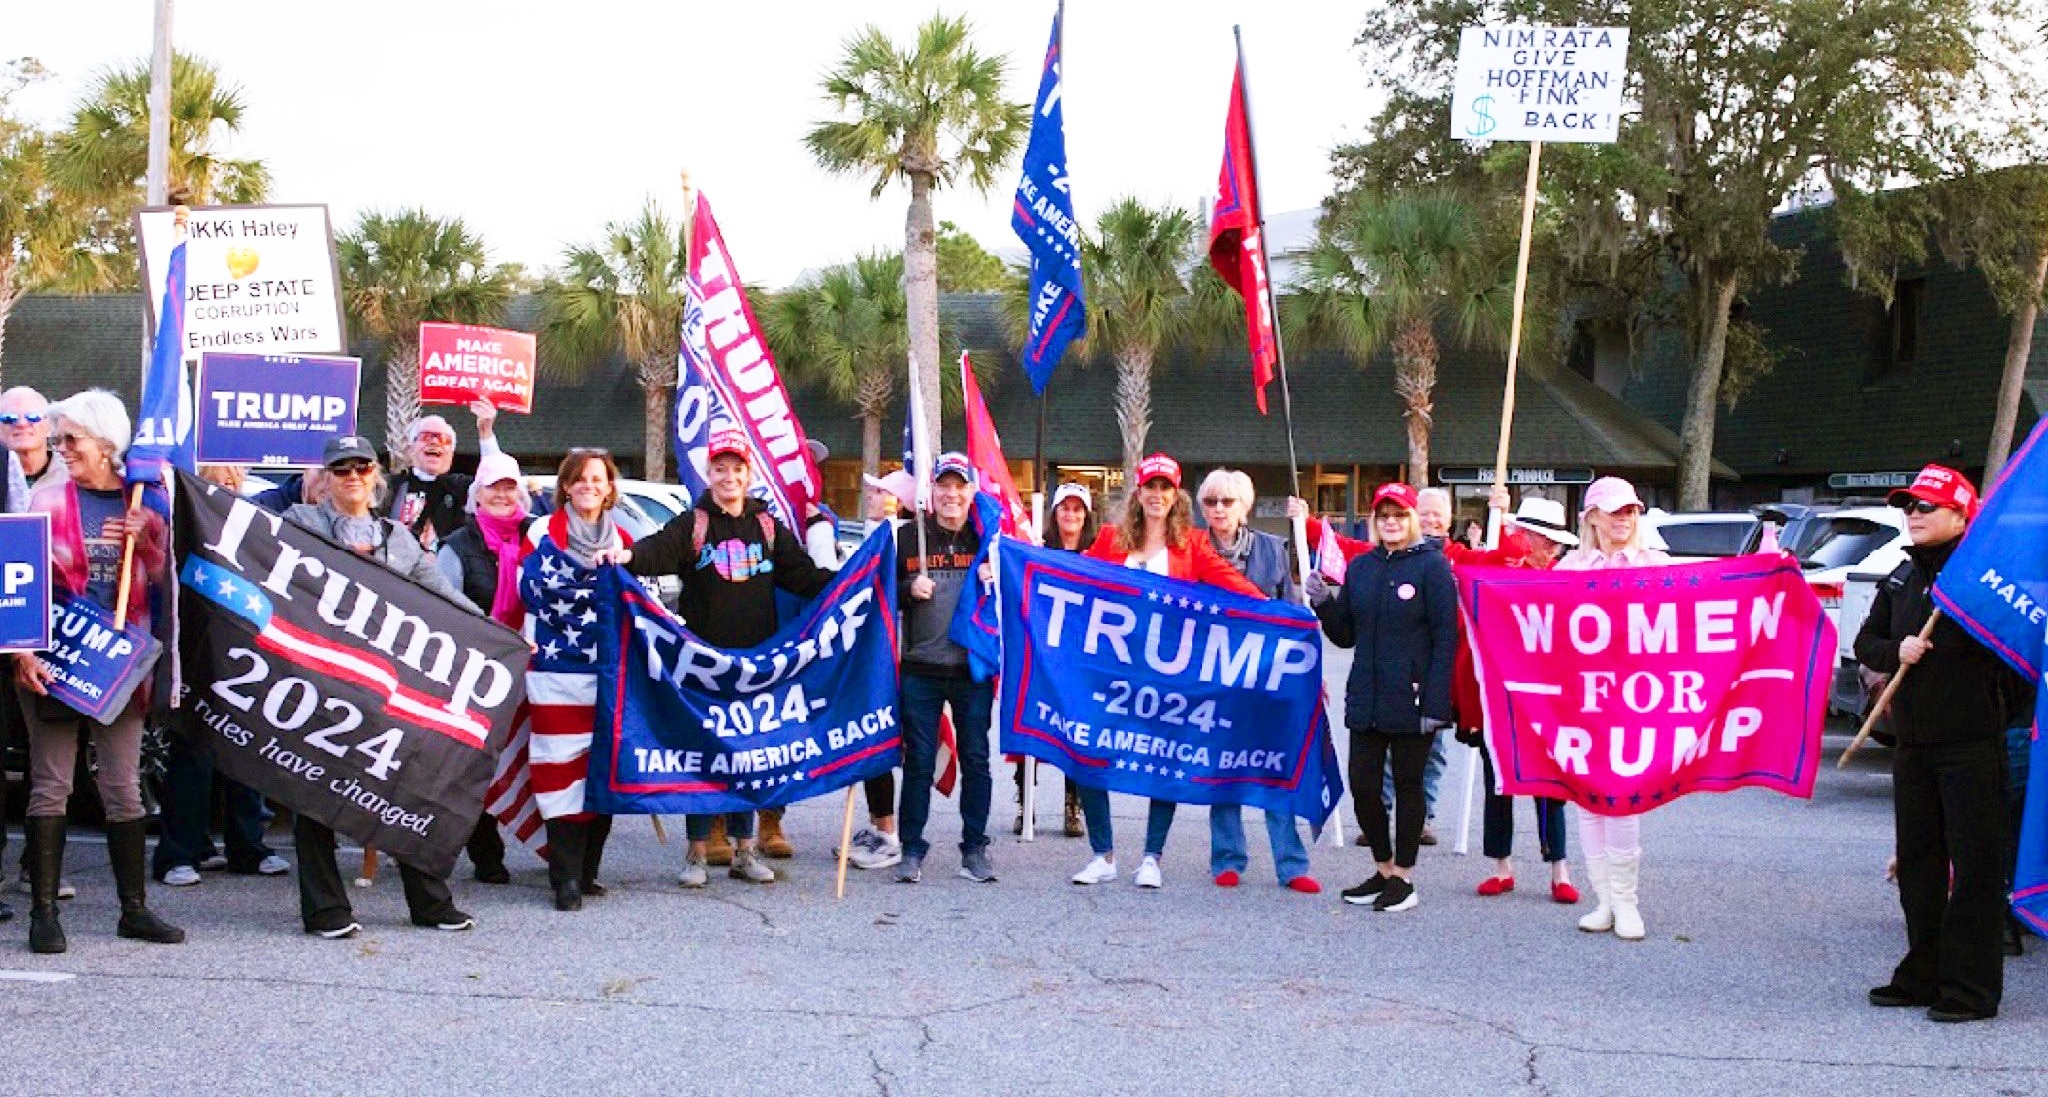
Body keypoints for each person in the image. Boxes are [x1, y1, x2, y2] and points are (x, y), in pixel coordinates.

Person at [614, 430, 835, 888]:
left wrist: (852, 580)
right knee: (705, 755)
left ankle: (744, 850)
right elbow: (656, 550)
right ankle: (695, 853)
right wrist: (626, 555)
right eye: (720, 469)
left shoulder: (767, 526)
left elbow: (804, 576)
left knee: (750, 756)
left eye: (737, 469)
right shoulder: (693, 522)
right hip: (704, 665)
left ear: (748, 474)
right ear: (708, 473)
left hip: (755, 665)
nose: (728, 477)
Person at [11, 389, 183, 953]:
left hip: (120, 666)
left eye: (72, 440)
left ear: (107, 442)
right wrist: (23, 653)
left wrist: (149, 539)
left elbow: (165, 586)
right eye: (59, 440)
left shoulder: (143, 502)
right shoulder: (46, 498)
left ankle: (134, 910)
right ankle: (43, 913)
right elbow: (18, 582)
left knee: (122, 788)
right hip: (55, 662)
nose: (63, 449)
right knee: (51, 785)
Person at [285, 435, 477, 938]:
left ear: (376, 477)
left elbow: (447, 598)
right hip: (321, 682)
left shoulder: (400, 538)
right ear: (325, 479)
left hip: (388, 689)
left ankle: (430, 902)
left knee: (409, 791)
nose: (351, 477)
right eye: (341, 469)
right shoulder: (299, 524)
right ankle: (326, 909)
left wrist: (505, 641)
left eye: (361, 468)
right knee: (315, 793)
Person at [1857, 464, 2029, 1022]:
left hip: (1972, 747)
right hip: (1912, 747)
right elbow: (1867, 641)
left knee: (1976, 870)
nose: (1914, 514)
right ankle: (1922, 975)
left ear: (1961, 515)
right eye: (1909, 505)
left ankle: (1971, 990)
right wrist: (1894, 653)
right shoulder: (1901, 576)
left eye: (1927, 507)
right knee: (1919, 866)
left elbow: (2019, 654)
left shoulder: (1983, 578)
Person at [1072, 454, 1264, 889]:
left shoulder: (1191, 544)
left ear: (1175, 495)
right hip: (1110, 671)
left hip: (1165, 675)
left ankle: (1151, 857)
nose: (1156, 495)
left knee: (1163, 761)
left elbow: (1232, 583)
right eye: (1149, 487)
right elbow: (1071, 575)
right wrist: (1011, 560)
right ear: (1137, 493)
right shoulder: (1109, 540)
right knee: (1088, 754)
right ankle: (1102, 853)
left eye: (1165, 488)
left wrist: (1275, 613)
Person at [1308, 482, 1456, 913]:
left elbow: (1446, 638)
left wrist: (1436, 703)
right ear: (1374, 520)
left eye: (1399, 514)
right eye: (1383, 515)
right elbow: (1345, 635)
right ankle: (1383, 867)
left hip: (1413, 698)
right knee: (1364, 787)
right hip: (1367, 696)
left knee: (1410, 787)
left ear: (1411, 518)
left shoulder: (1432, 567)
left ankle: (1404, 879)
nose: (1391, 522)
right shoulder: (1362, 568)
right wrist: (1324, 604)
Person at [152, 464, 292, 889]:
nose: (226, 484)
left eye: (233, 478)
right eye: (216, 478)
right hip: (195, 651)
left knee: (245, 754)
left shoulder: (257, 524)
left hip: (245, 656)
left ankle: (247, 847)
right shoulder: (181, 520)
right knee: (192, 755)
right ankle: (180, 852)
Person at [1552, 476, 1671, 942]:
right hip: (1581, 697)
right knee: (1588, 800)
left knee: (1623, 796)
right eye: (1615, 511)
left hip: (1636, 697)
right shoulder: (1570, 567)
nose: (1623, 519)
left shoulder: (1656, 564)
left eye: (1631, 511)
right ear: (1592, 517)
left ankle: (1627, 902)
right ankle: (1604, 899)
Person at [1196, 469, 1319, 894]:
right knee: (1223, 769)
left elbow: (1294, 615)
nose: (1218, 510)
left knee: (1274, 767)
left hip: (1268, 676)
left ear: (1244, 506)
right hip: (1215, 677)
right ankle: (1228, 858)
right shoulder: (1193, 549)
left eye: (1226, 502)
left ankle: (1291, 863)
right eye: (1210, 502)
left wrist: (1308, 676)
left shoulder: (1272, 550)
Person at [1457, 494, 1578, 904]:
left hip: (1552, 698)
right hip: (1503, 697)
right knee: (1500, 783)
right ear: (1523, 536)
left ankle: (1559, 869)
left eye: (1553, 541)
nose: (1550, 548)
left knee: (1552, 786)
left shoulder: (1570, 576)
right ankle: (1502, 866)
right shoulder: (1499, 572)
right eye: (1542, 539)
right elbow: (1462, 570)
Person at [520, 449, 624, 910]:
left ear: (609, 486)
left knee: (603, 767)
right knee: (559, 769)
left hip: (605, 670)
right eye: (579, 478)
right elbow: (528, 594)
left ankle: (588, 872)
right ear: (565, 485)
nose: (588, 486)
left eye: (597, 478)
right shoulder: (541, 532)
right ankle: (562, 876)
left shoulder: (623, 538)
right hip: (555, 670)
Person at [887, 453, 999, 884]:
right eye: (943, 486)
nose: (951, 494)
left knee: (975, 758)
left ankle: (974, 849)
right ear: (931, 492)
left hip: (971, 668)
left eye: (959, 486)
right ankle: (911, 849)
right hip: (920, 666)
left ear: (971, 492)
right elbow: (881, 594)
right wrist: (907, 587)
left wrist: (996, 575)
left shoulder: (988, 538)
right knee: (917, 762)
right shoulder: (908, 537)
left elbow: (1015, 594)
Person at [435, 453, 535, 886]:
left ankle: (555, 847)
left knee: (531, 759)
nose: (501, 494)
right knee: (478, 764)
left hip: (534, 669)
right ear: (476, 494)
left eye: (509, 486)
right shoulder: (456, 546)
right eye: (492, 486)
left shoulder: (538, 539)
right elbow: (445, 609)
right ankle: (486, 853)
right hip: (478, 672)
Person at [1012, 481, 1095, 840]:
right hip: (1040, 653)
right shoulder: (1037, 550)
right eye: (1065, 508)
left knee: (1074, 730)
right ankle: (1025, 802)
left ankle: (1073, 804)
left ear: (1086, 515)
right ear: (1055, 512)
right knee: (1030, 725)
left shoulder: (1097, 555)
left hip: (1079, 656)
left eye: (1078, 509)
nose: (1071, 514)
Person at [844, 471, 914, 871]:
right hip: (867, 653)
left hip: (892, 654)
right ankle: (876, 824)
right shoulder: (872, 534)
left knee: (881, 741)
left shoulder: (899, 540)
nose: (872, 494)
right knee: (866, 738)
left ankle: (889, 831)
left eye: (882, 490)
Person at [384, 400, 502, 549]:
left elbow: (496, 477)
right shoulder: (390, 486)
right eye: (426, 436)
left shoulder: (461, 487)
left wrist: (486, 431)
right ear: (411, 448)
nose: (434, 442)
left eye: (444, 439)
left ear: (451, 454)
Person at [1, 387, 57, 489]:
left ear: (50, 425)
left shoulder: (73, 473)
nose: (22, 424)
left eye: (33, 417)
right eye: (9, 418)